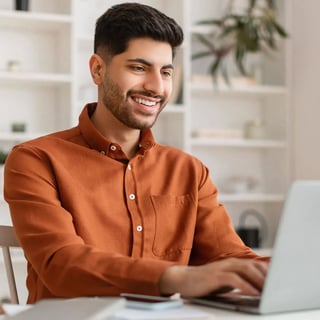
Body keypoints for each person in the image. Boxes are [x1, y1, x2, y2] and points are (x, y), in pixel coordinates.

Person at [4, 2, 268, 304]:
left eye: (166, 72)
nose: (156, 87)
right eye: (139, 68)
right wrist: (178, 278)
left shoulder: (190, 171)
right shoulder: (35, 160)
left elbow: (231, 257)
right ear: (97, 69)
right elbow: (62, 265)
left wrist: (293, 272)